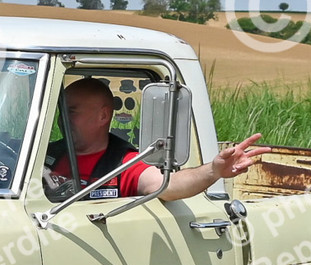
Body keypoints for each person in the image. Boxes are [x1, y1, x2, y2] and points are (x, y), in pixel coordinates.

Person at [45, 77, 268, 200]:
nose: (61, 120)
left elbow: (168, 186)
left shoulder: (125, 163)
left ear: (103, 116)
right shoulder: (46, 155)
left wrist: (213, 170)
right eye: (61, 112)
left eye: (71, 112)